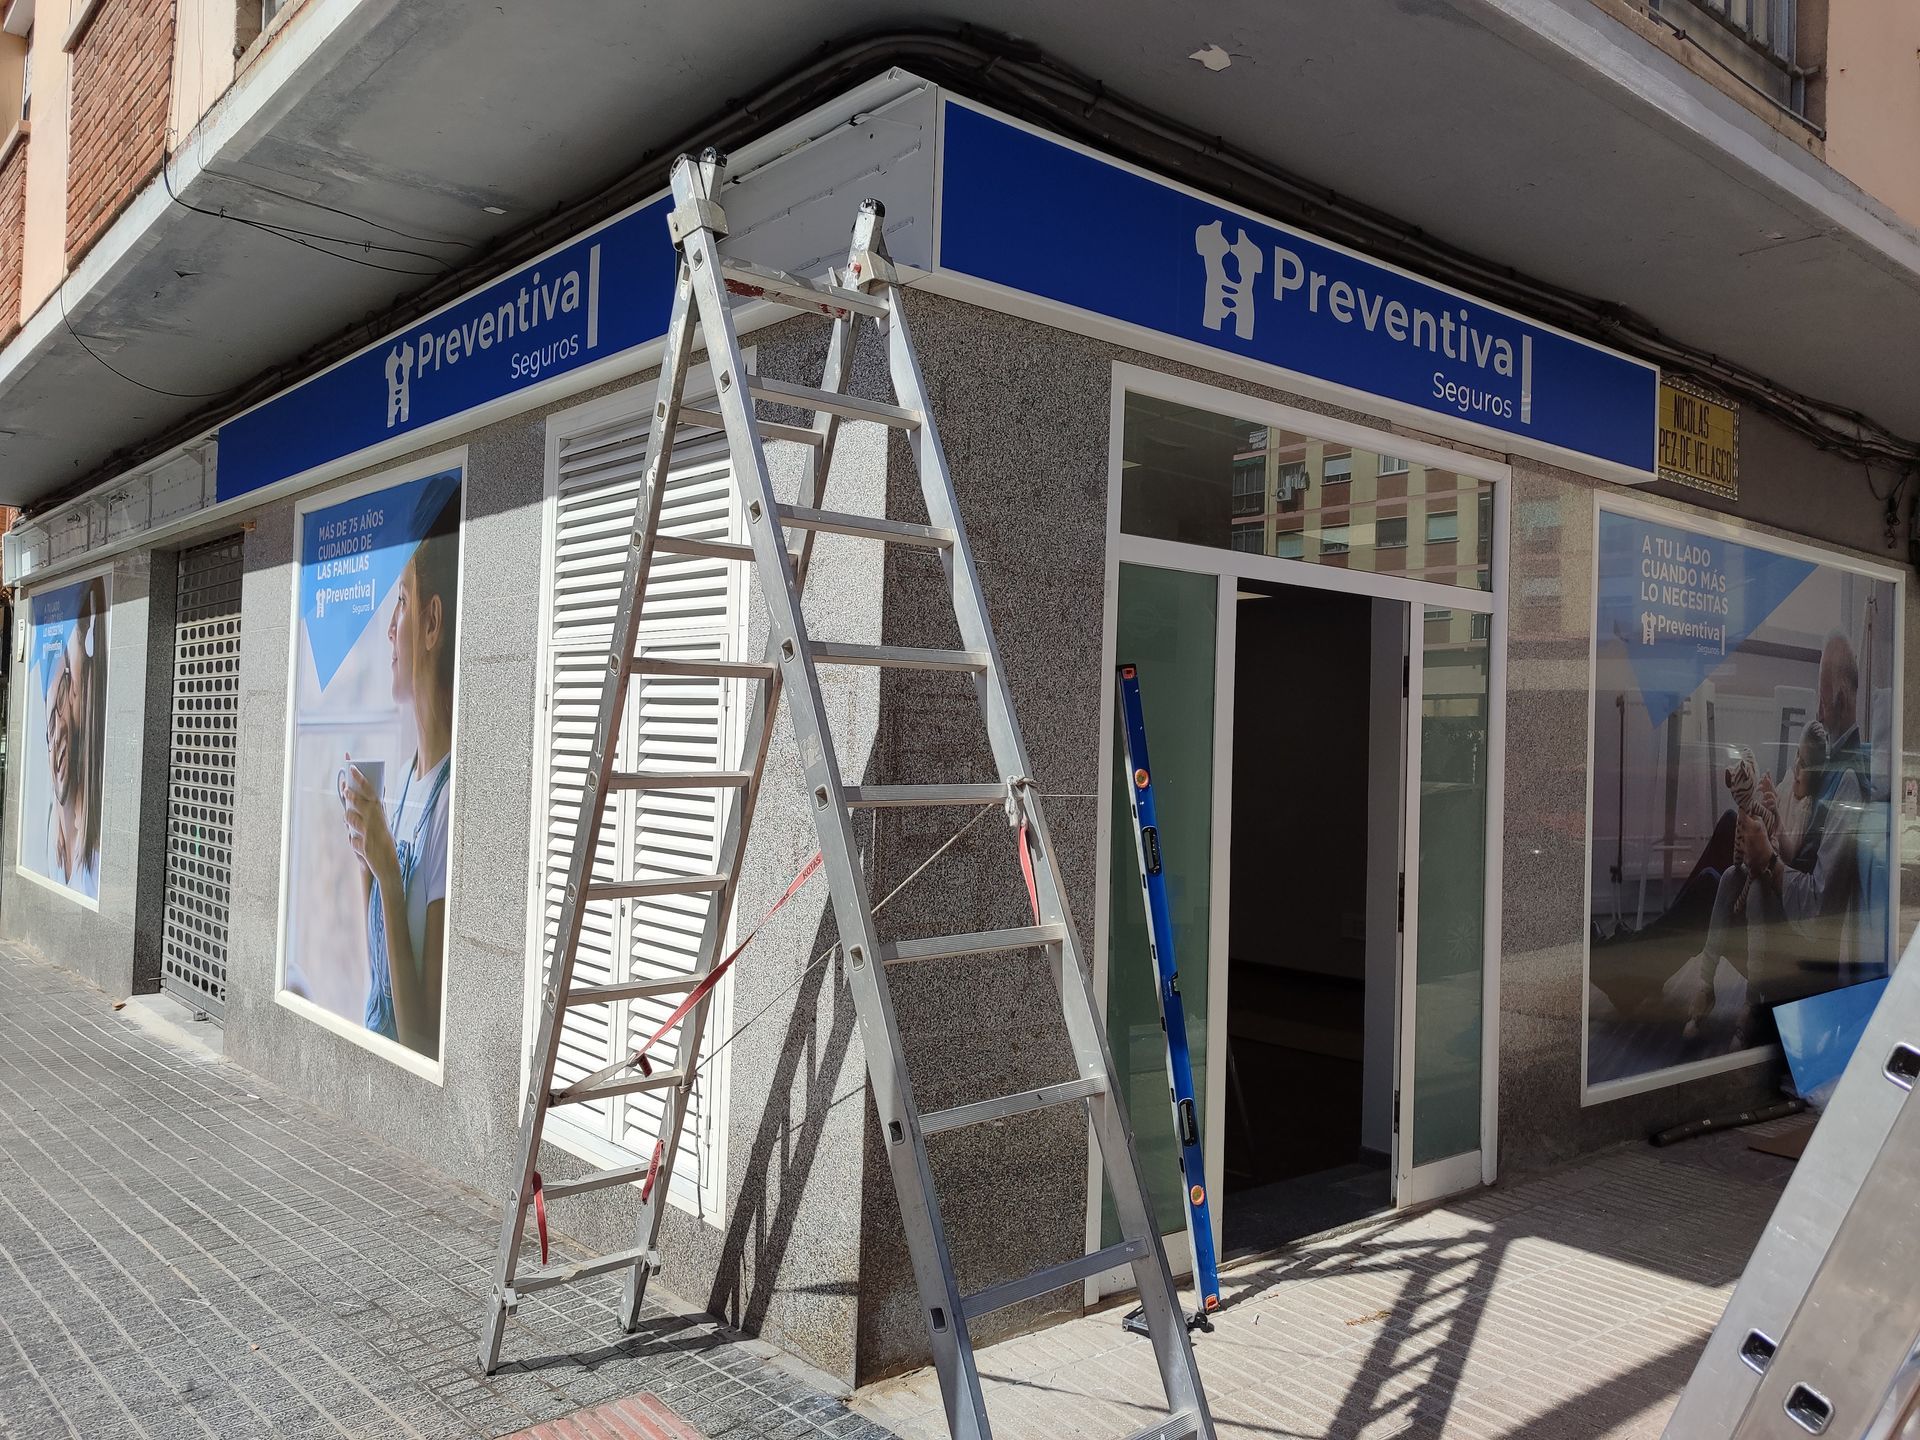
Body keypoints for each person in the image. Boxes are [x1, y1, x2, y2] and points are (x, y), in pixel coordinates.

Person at [340, 483, 458, 1056]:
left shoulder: (450, 804)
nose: (390, 628)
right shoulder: (409, 776)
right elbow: (382, 986)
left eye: (403, 602)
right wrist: (367, 855)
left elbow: (421, 1039)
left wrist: (388, 872)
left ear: (432, 624)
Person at [1740, 630, 1876, 1001]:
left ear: (1840, 698)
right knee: (1727, 872)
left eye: (1822, 698)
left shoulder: (1846, 781)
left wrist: (1768, 860)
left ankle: (1751, 1008)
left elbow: (1818, 908)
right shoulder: (1832, 766)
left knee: (1726, 885)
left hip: (1806, 956)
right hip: (1792, 911)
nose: (1817, 711)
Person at [1676, 721, 1829, 1047]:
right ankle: (1705, 984)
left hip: (1781, 894)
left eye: (1803, 764)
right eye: (1796, 758)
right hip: (1764, 872)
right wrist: (1770, 806)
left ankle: (1752, 1001)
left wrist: (1774, 826)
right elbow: (1770, 826)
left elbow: (1791, 859)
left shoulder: (1814, 808)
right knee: (1728, 875)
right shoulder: (1791, 788)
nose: (1796, 768)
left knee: (1752, 887)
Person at [42, 578, 106, 899]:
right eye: (50, 722)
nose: (58, 732)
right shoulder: (51, 839)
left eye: (68, 690)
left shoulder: (94, 863)